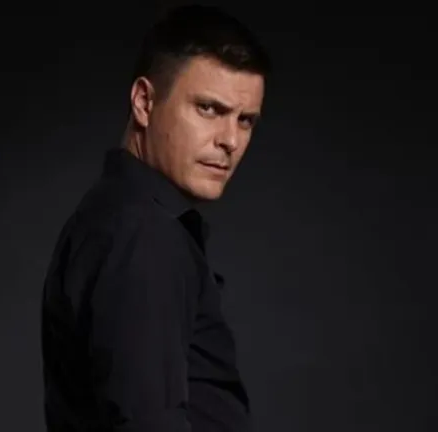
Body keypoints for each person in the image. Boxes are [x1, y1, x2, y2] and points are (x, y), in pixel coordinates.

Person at [40, 4, 270, 431]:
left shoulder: (121, 217)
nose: (230, 140)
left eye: (246, 120)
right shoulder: (142, 233)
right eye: (208, 109)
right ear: (144, 102)